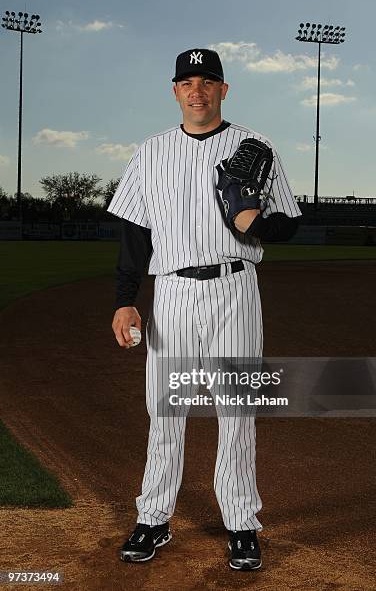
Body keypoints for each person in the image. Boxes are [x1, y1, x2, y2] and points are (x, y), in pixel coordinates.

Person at [108, 48, 302, 571]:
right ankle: (153, 517)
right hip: (170, 293)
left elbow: (288, 222)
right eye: (187, 81)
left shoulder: (253, 147)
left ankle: (242, 522)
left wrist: (252, 221)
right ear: (175, 91)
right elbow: (134, 235)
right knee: (165, 411)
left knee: (237, 411)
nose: (197, 90)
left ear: (224, 89)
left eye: (208, 81)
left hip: (234, 290)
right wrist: (126, 301)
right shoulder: (150, 153)